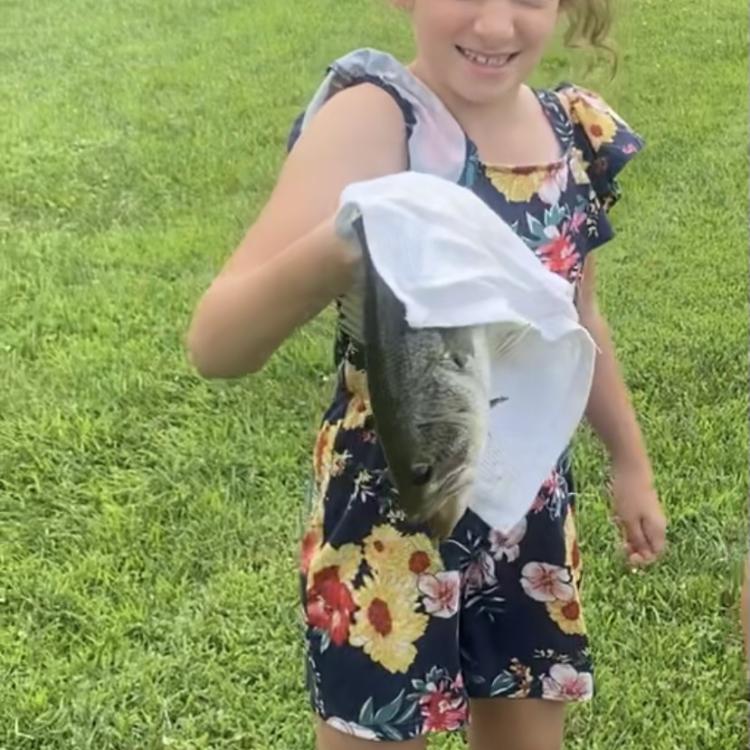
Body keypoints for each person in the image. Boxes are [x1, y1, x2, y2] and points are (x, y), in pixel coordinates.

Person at [187, 1, 668, 747]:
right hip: (388, 514)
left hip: (526, 518)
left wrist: (629, 461)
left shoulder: (573, 132)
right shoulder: (373, 120)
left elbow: (579, 320)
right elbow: (215, 346)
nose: (496, 26)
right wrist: (348, 240)